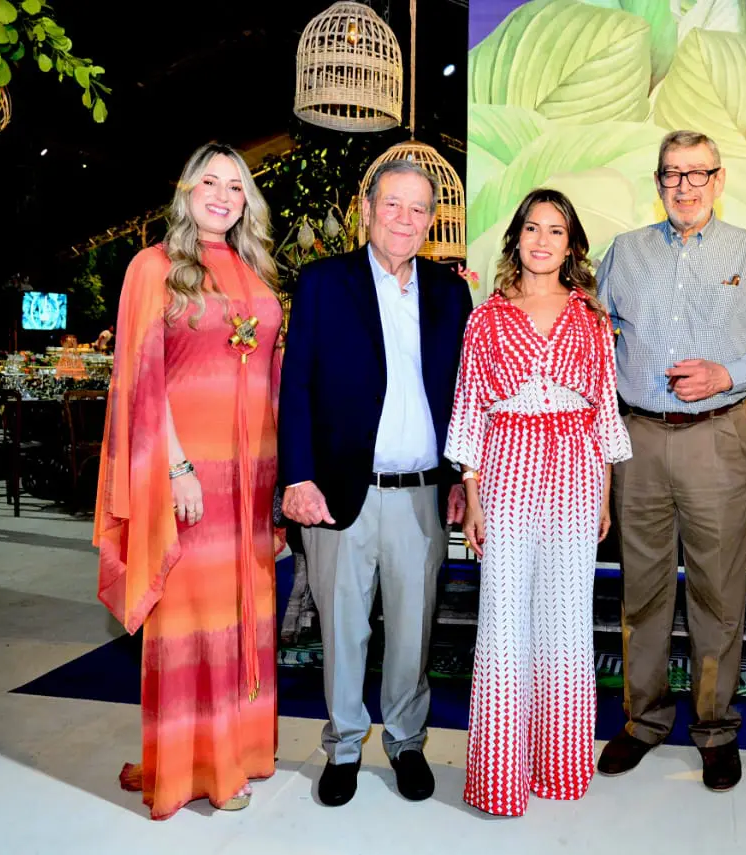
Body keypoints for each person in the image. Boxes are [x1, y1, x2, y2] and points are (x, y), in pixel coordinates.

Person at [595, 130, 746, 791]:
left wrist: (725, 373)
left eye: (696, 173)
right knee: (642, 591)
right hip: (640, 439)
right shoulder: (623, 253)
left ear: (719, 178)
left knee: (717, 589)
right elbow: (591, 336)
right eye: (671, 174)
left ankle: (714, 727)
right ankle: (643, 719)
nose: (684, 186)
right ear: (658, 183)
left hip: (717, 435)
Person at [93, 142, 283, 819]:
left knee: (240, 616)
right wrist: (176, 467)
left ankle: (240, 749)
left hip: (249, 484)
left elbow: (269, 375)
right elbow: (141, 378)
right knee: (195, 619)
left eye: (236, 185)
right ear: (186, 191)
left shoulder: (255, 271)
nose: (224, 194)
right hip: (190, 479)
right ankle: (200, 768)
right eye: (211, 181)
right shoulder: (154, 268)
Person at [278, 160, 473, 808]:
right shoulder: (324, 283)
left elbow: (463, 395)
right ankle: (342, 746)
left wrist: (460, 478)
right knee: (344, 629)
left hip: (422, 492)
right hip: (340, 490)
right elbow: (296, 384)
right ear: (367, 207)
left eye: (420, 210)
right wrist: (298, 475)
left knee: (414, 630)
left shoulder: (450, 293)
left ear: (431, 221)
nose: (405, 220)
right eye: (394, 205)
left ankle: (408, 741)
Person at [446, 188, 631, 816]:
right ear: (516, 239)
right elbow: (471, 406)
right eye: (532, 228)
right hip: (507, 467)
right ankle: (499, 775)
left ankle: (558, 767)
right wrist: (471, 495)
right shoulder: (486, 318)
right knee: (502, 622)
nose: (543, 240)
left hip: (577, 469)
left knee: (567, 619)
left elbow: (604, 406)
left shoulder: (591, 318)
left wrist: (604, 495)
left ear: (571, 243)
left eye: (556, 230)